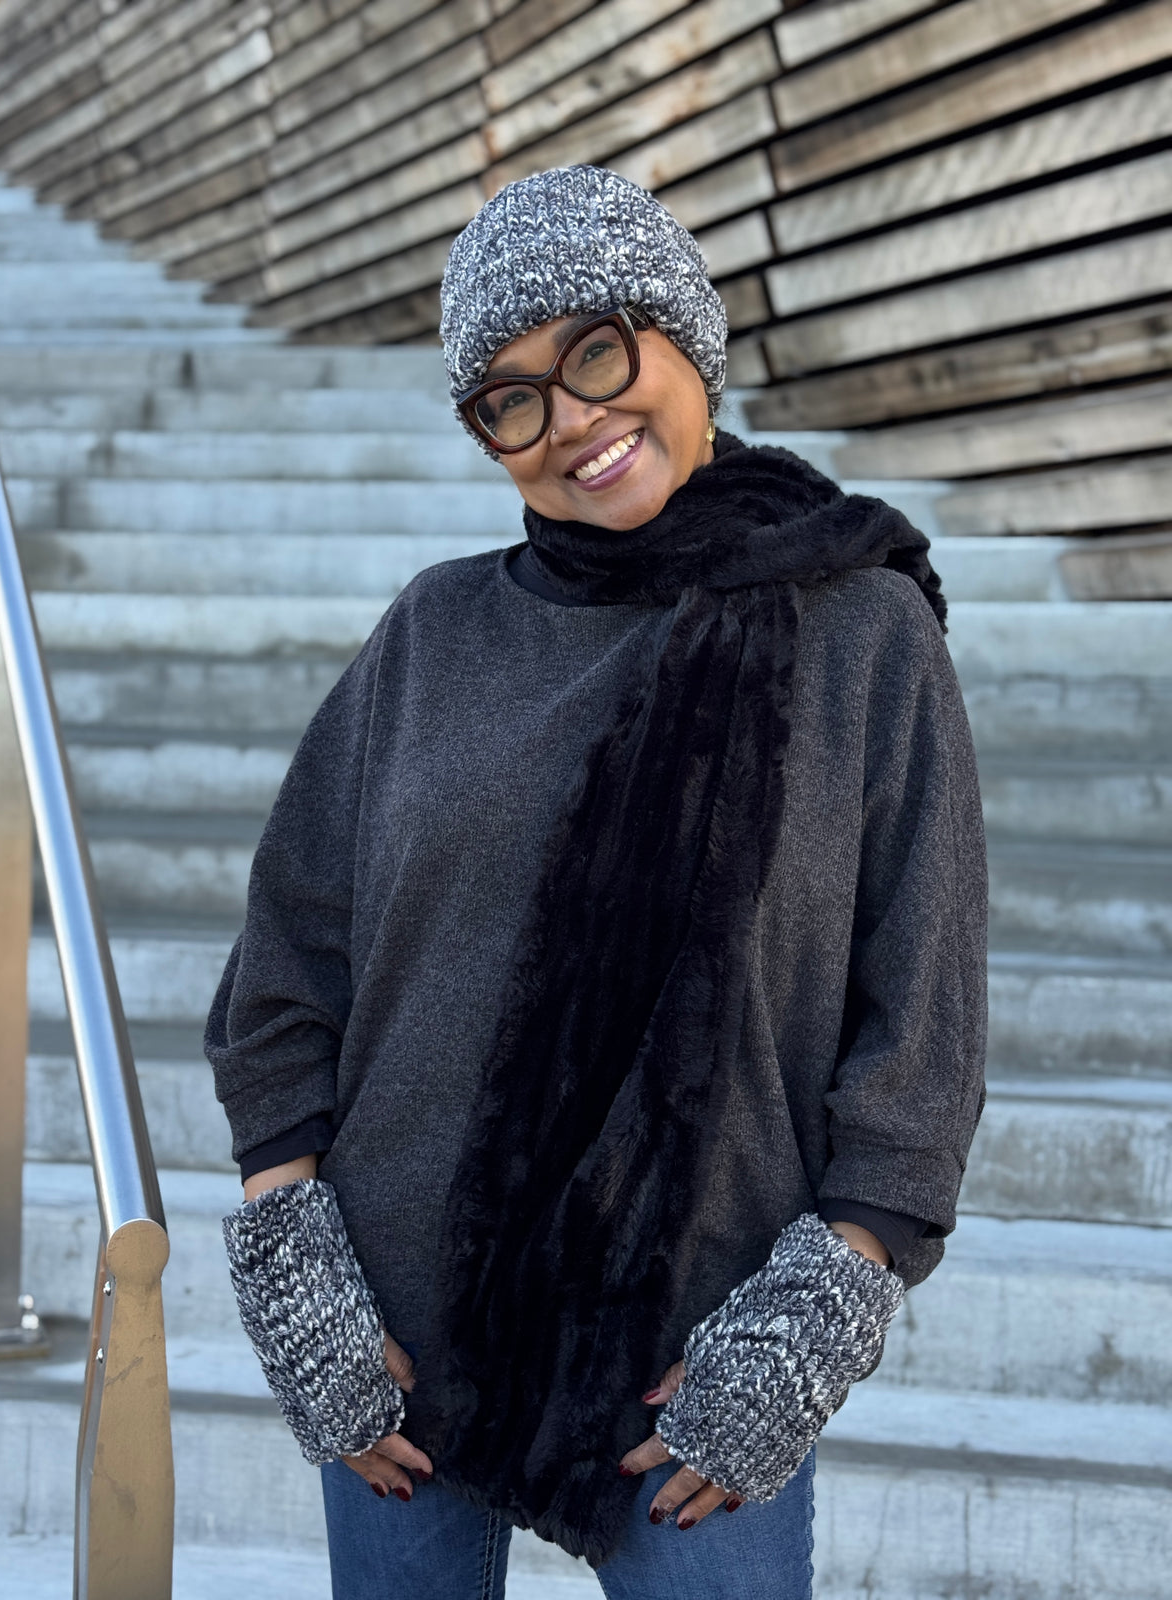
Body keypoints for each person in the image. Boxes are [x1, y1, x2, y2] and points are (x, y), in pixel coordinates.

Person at [206, 164, 987, 1600]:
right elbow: (284, 968)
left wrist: (822, 1309)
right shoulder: (433, 635)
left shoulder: (865, 636)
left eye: (596, 353)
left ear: (683, 333)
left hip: (702, 1356)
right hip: (395, 1342)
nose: (573, 420)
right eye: (511, 398)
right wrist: (294, 1255)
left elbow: (921, 1033)